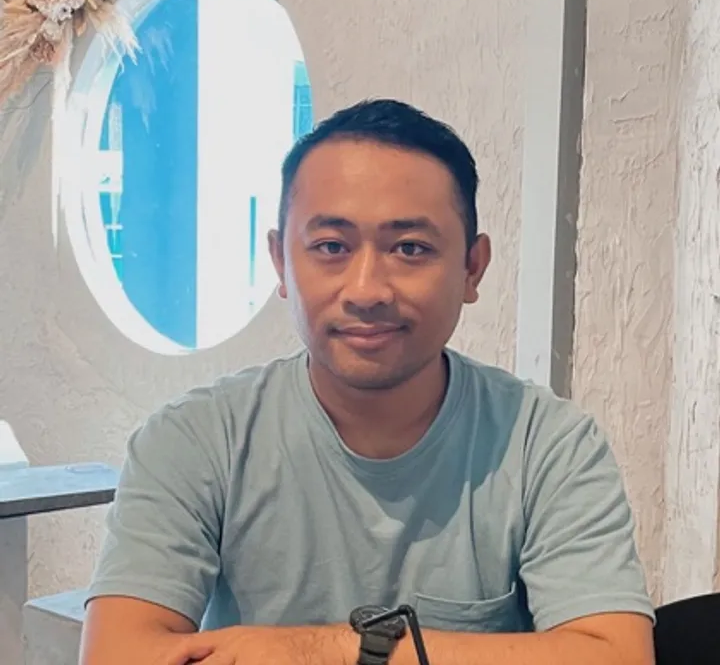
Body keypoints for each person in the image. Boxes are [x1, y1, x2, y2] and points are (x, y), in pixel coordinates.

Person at [80, 99, 656, 665]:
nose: (366, 290)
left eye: (410, 249)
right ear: (281, 262)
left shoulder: (547, 445)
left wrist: (327, 650)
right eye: (331, 247)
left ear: (471, 268)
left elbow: (617, 655)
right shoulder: (196, 439)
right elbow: (118, 653)